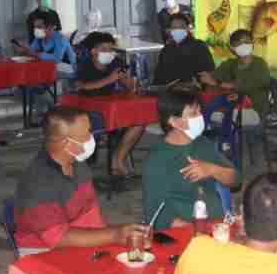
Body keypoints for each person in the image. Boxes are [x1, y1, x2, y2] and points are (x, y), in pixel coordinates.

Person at [14, 106, 149, 274]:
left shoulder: (78, 167)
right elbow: (58, 238)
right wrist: (114, 234)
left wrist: (119, 241)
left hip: (75, 251)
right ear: (66, 143)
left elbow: (92, 220)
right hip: (41, 261)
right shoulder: (38, 181)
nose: (92, 138)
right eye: (86, 133)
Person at [141, 88, 239, 229]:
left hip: (217, 225)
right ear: (175, 122)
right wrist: (198, 232)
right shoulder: (157, 161)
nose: (200, 117)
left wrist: (212, 170)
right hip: (188, 231)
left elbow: (236, 180)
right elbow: (155, 214)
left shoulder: (202, 144)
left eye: (200, 111)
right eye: (193, 113)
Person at [76, 32, 144, 177]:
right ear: (93, 51)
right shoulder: (85, 64)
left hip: (112, 109)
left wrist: (129, 81)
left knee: (139, 122)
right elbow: (83, 86)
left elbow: (128, 86)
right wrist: (109, 79)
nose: (109, 53)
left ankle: (117, 160)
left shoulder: (114, 63)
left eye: (111, 49)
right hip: (89, 112)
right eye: (104, 49)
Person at [199, 28, 271, 127]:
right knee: (199, 113)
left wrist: (217, 83)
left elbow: (244, 86)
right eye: (239, 43)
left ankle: (226, 141)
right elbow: (212, 78)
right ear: (232, 48)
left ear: (252, 43)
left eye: (247, 42)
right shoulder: (229, 64)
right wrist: (203, 78)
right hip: (229, 106)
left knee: (215, 116)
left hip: (253, 111)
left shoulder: (260, 64)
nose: (244, 45)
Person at [153, 12, 215, 86]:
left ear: (188, 28)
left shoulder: (199, 47)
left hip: (194, 93)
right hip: (169, 93)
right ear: (169, 30)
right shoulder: (166, 50)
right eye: (174, 28)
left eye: (181, 27)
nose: (178, 30)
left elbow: (209, 73)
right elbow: (158, 78)